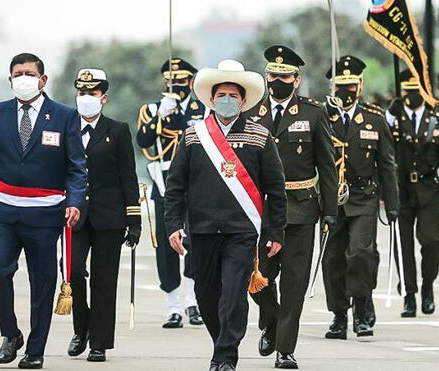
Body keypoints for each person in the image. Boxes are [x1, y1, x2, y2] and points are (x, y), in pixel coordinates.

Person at [165, 59, 287, 371]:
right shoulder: (194, 136)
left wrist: (275, 232)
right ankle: (223, 341)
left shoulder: (260, 136)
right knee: (206, 296)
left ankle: (225, 357)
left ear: (243, 100)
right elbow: (175, 186)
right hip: (202, 230)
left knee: (233, 295)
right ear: (211, 99)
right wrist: (173, 225)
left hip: (241, 232)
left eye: (233, 95)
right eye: (221, 95)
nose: (227, 100)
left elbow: (275, 189)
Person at [0, 53, 87, 369]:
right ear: (9, 80)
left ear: (42, 79)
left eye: (29, 73)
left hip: (45, 213)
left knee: (43, 282)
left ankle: (35, 350)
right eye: (17, 73)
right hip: (2, 210)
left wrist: (74, 201)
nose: (23, 78)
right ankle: (10, 334)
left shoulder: (64, 116)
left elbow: (77, 166)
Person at [246, 45, 338, 369]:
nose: (278, 80)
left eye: (285, 76)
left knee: (294, 284)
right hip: (261, 213)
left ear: (296, 80)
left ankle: (285, 349)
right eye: (273, 75)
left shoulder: (314, 113)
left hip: (300, 210)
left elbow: (327, 167)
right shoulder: (250, 114)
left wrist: (330, 211)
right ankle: (270, 321)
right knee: (257, 279)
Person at [66, 68, 141, 362]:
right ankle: (81, 328)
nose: (86, 98)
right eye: (82, 93)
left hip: (109, 217)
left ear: (103, 98)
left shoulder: (118, 130)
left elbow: (128, 177)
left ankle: (99, 342)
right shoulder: (65, 127)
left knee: (104, 279)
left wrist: (133, 221)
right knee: (72, 274)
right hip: (74, 215)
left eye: (92, 93)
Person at [321, 55, 398, 339]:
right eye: (340, 85)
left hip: (364, 195)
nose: (346, 90)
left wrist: (392, 203)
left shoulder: (374, 119)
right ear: (332, 88)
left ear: (360, 85)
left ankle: (362, 306)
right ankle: (339, 315)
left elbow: (386, 164)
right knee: (332, 258)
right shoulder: (322, 116)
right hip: (330, 197)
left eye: (351, 85)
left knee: (360, 253)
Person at [136, 58, 209, 328]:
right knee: (165, 246)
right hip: (164, 182)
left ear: (191, 82)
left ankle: (192, 301)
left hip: (196, 183)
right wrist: (160, 116)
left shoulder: (203, 109)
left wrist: (175, 116)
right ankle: (172, 306)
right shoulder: (152, 109)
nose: (175, 85)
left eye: (180, 81)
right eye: (170, 81)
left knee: (195, 242)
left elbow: (197, 135)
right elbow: (143, 140)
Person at [385, 69, 439, 317]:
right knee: (404, 245)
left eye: (417, 90)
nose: (412, 94)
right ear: (402, 91)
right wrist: (387, 116)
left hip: (428, 188)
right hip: (401, 189)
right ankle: (410, 295)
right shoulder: (394, 119)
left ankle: (428, 286)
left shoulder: (437, 118)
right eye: (408, 90)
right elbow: (380, 145)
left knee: (430, 241)